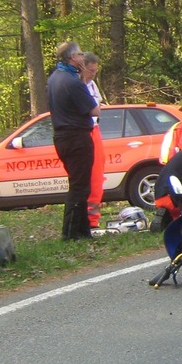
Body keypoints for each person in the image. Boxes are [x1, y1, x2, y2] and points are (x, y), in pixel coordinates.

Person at [47, 40, 100, 241]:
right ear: (71, 58)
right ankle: (69, 233)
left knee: (79, 183)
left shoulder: (54, 77)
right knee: (79, 186)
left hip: (62, 136)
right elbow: (94, 109)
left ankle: (82, 231)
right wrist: (89, 88)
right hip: (76, 137)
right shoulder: (72, 82)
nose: (82, 58)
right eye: (79, 55)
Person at [81, 52, 106, 231]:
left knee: (97, 177)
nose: (93, 74)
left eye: (95, 71)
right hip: (85, 131)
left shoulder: (92, 84)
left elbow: (97, 106)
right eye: (91, 71)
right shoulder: (77, 85)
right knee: (89, 178)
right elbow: (91, 109)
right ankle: (89, 220)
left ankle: (93, 220)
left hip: (94, 129)